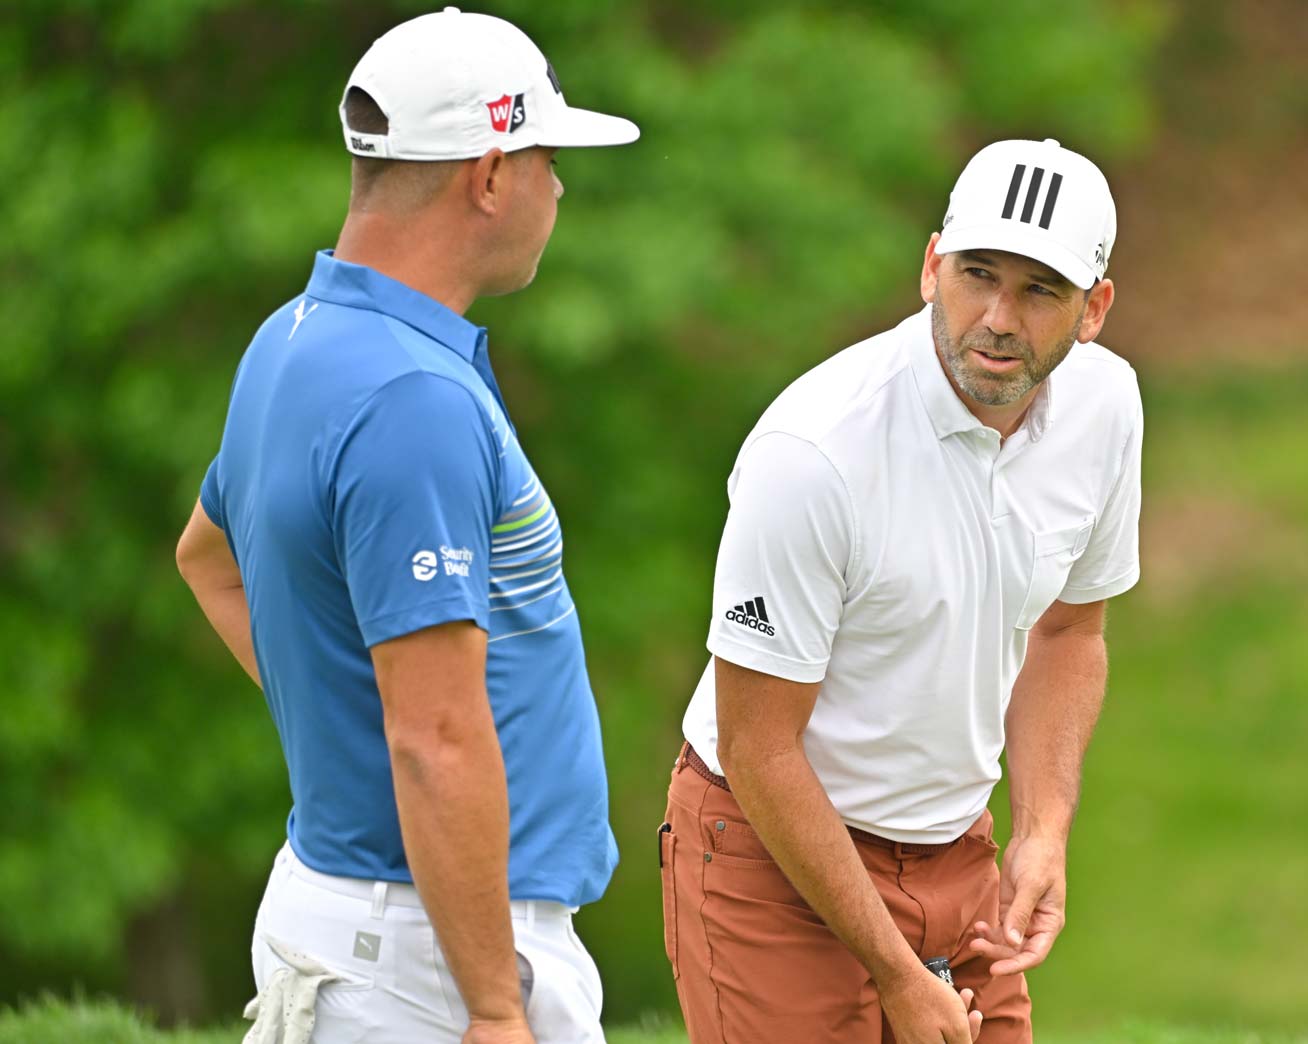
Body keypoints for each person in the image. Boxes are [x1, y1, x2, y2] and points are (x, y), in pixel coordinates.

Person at [174, 9, 639, 1043]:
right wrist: (491, 1009)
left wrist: (348, 724)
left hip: (357, 917)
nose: (556, 188)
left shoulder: (291, 338)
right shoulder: (410, 399)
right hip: (432, 958)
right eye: (546, 159)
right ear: (486, 176)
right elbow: (432, 736)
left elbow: (207, 561)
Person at [661, 138, 1142, 1044]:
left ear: (1094, 310)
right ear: (930, 267)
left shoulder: (1107, 407)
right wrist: (895, 974)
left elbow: (1070, 632)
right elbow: (759, 744)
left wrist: (1042, 831)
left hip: (954, 848)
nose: (998, 318)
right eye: (978, 275)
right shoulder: (813, 455)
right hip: (769, 852)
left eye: (1040, 290)